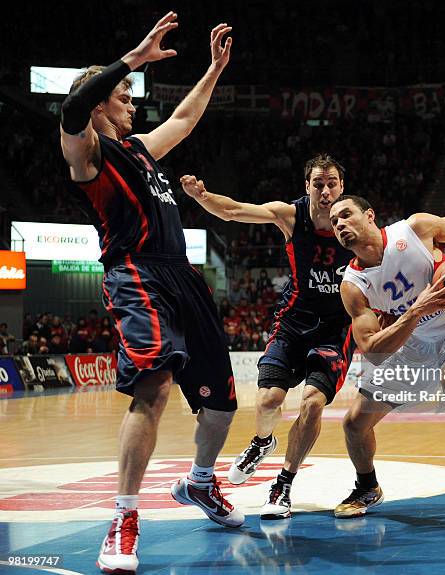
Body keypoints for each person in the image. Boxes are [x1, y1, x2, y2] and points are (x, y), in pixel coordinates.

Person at [60, 13, 242, 574]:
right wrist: (133, 58)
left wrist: (213, 70)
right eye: (122, 95)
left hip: (182, 276)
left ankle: (201, 482)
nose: (132, 102)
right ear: (97, 105)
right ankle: (123, 516)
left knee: (221, 405)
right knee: (154, 386)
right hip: (135, 273)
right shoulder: (87, 154)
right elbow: (68, 110)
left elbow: (185, 119)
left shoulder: (139, 149)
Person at [180, 153, 355, 519]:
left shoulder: (356, 223)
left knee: (311, 403)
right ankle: (263, 441)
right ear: (306, 187)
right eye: (318, 184)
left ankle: (284, 484)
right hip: (292, 321)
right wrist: (202, 197)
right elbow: (234, 211)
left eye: (332, 184)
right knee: (267, 401)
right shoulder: (291, 215)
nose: (325, 191)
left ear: (342, 187)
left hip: (336, 328)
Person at [328, 195, 445, 518]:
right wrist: (417, 310)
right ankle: (367, 486)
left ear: (369, 215)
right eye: (333, 222)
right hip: (413, 346)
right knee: (354, 424)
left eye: (345, 214)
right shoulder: (352, 285)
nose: (340, 224)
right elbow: (373, 351)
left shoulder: (413, 229)